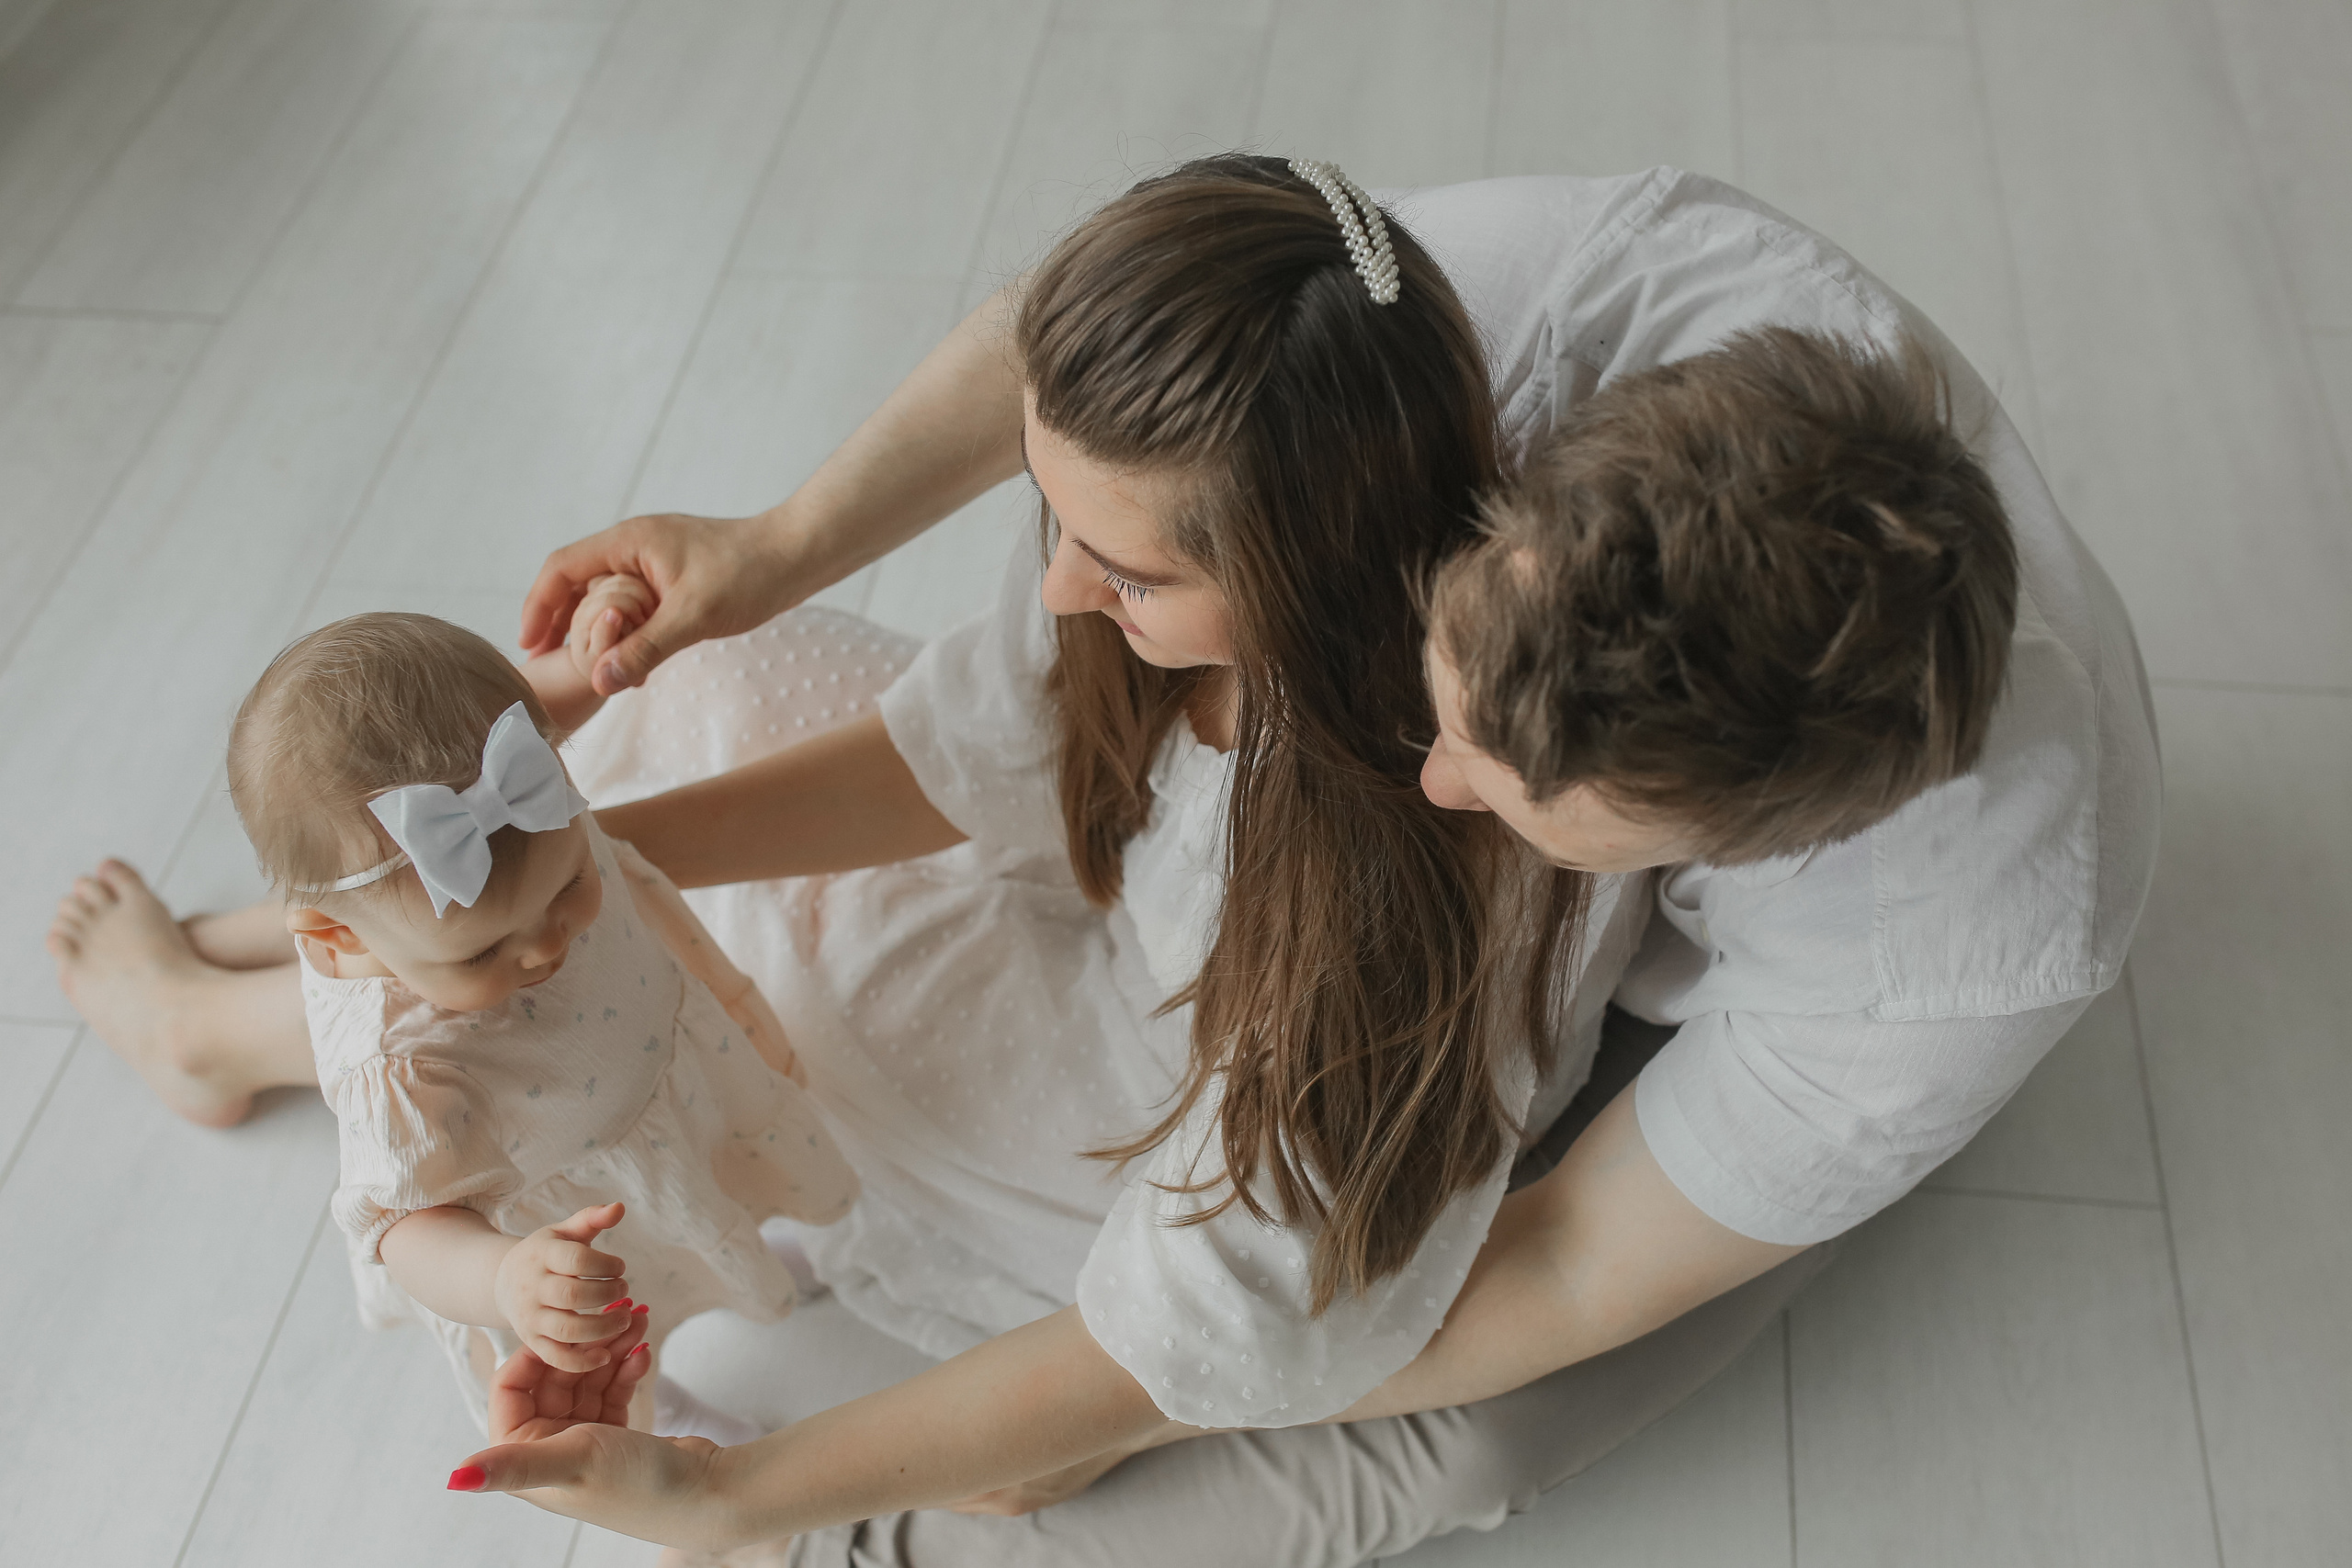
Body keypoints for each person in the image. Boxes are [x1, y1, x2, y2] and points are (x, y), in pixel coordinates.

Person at [51, 154, 2156, 1566]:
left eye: (1507, 795)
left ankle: (289, 1006)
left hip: (1459, 1040)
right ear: (1437, 512)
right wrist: (629, 774)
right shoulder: (1461, 332)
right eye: (1434, 698)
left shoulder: (1943, 943)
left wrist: (1067, 1412)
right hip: (1204, 867)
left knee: (1421, 1415)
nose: (1433, 774)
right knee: (674, 870)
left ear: (1685, 860)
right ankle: (265, 995)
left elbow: (1547, 1277)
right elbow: (1095, 343)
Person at [220, 609, 856, 1441]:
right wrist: (503, 1274)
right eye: (484, 949)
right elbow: (407, 1228)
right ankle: (664, 1421)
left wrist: (593, 661)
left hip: (663, 1103)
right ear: (339, 941)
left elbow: (535, 704)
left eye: (568, 888)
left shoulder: (523, 801)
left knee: (720, 1186)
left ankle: (730, 1248)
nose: (549, 944)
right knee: (615, 1346)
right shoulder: (398, 1063)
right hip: (556, 1228)